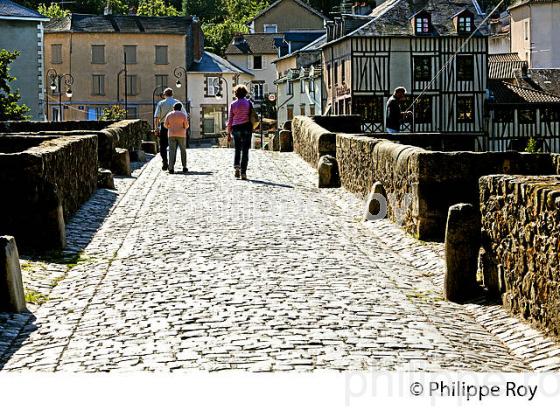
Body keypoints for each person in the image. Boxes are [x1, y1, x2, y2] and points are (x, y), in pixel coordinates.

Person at [154, 88, 186, 171]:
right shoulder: (177, 103)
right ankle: (172, 164)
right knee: (173, 148)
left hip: (164, 127)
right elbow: (185, 115)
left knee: (163, 146)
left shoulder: (161, 103)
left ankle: (165, 161)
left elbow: (156, 117)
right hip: (176, 127)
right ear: (172, 94)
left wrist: (156, 128)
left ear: (164, 95)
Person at [227, 85, 253, 180]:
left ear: (236, 93)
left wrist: (228, 133)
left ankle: (237, 167)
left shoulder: (233, 104)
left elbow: (230, 119)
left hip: (236, 127)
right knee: (245, 150)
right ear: (245, 93)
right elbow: (252, 116)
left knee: (237, 148)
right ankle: (243, 172)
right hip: (246, 127)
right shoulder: (249, 103)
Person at [164, 102, 189, 174]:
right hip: (181, 134)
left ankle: (171, 168)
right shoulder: (183, 115)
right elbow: (186, 125)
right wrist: (183, 127)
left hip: (171, 134)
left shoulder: (169, 114)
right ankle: (184, 167)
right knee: (183, 150)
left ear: (173, 108)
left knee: (172, 151)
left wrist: (170, 127)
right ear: (180, 108)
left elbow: (165, 125)